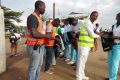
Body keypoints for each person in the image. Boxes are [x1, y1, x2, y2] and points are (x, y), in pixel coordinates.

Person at [26, 1, 52, 80]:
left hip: (40, 46)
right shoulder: (32, 17)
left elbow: (39, 31)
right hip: (34, 47)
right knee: (33, 67)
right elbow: (34, 33)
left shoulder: (38, 18)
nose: (45, 9)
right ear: (39, 6)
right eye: (44, 7)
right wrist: (46, 36)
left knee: (39, 66)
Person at [76, 11, 100, 80]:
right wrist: (99, 36)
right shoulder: (87, 22)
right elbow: (92, 34)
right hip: (83, 45)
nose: (95, 17)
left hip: (86, 45)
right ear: (91, 15)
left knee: (83, 62)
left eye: (96, 16)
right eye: (94, 15)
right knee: (81, 62)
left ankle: (82, 75)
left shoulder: (90, 23)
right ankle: (78, 77)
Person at [105, 12, 120, 80]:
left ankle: (113, 78)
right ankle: (110, 77)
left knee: (115, 64)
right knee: (110, 63)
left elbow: (112, 36)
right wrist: (107, 34)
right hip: (111, 46)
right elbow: (109, 34)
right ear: (116, 18)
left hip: (118, 46)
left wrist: (113, 37)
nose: (118, 17)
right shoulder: (113, 26)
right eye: (118, 16)